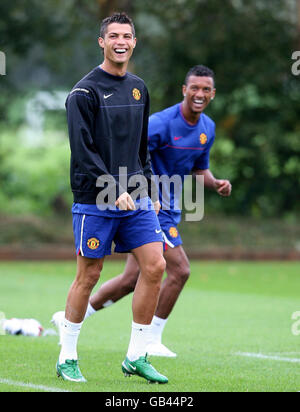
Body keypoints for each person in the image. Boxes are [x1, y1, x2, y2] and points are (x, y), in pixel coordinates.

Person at [53, 64, 232, 361]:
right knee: (179, 269)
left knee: (131, 280)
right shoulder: (161, 123)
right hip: (145, 204)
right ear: (184, 90)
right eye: (194, 88)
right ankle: (151, 339)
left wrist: (214, 184)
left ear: (213, 94)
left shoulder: (207, 129)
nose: (199, 94)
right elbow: (130, 149)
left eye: (206, 89)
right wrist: (138, 189)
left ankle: (71, 317)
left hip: (168, 207)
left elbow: (200, 168)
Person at [56, 12, 168, 384]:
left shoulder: (139, 88)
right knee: (89, 275)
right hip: (95, 197)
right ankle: (66, 356)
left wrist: (147, 190)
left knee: (155, 266)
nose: (121, 41)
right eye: (113, 35)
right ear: (101, 42)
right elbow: (83, 151)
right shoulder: (83, 93)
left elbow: (141, 149)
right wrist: (112, 187)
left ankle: (137, 355)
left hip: (135, 197)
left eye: (127, 36)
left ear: (134, 42)